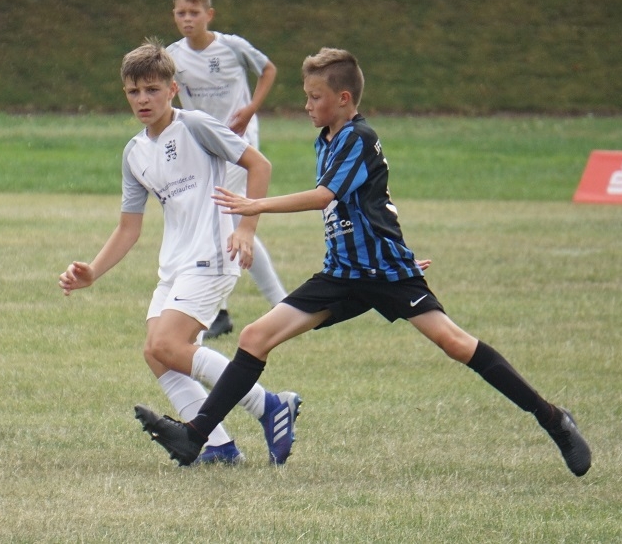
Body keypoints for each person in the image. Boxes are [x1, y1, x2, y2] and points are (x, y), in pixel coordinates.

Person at [135, 47, 592, 476]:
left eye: (315, 97)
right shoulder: (326, 139)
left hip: (386, 274)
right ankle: (196, 437)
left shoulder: (359, 137)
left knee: (455, 344)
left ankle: (553, 419)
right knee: (255, 336)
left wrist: (257, 206)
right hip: (342, 274)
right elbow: (376, 203)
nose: (307, 105)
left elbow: (324, 197)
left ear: (344, 98)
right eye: (306, 96)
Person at [58, 39, 301, 465]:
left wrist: (246, 228)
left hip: (212, 256)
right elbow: (128, 228)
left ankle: (269, 405)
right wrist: (92, 272)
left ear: (173, 89)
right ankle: (221, 447)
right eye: (134, 91)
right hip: (174, 266)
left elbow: (259, 165)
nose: (143, 99)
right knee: (156, 353)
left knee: (168, 344)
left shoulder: (195, 126)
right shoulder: (134, 153)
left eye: (152, 89)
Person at [167, 0, 287, 340]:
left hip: (238, 145)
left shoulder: (231, 47)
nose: (187, 19)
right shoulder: (172, 56)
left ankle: (240, 308)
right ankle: (263, 306)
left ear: (209, 15)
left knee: (222, 220)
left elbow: (268, 69)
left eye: (194, 12)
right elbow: (164, 92)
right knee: (225, 225)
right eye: (181, 13)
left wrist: (250, 109)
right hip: (203, 148)